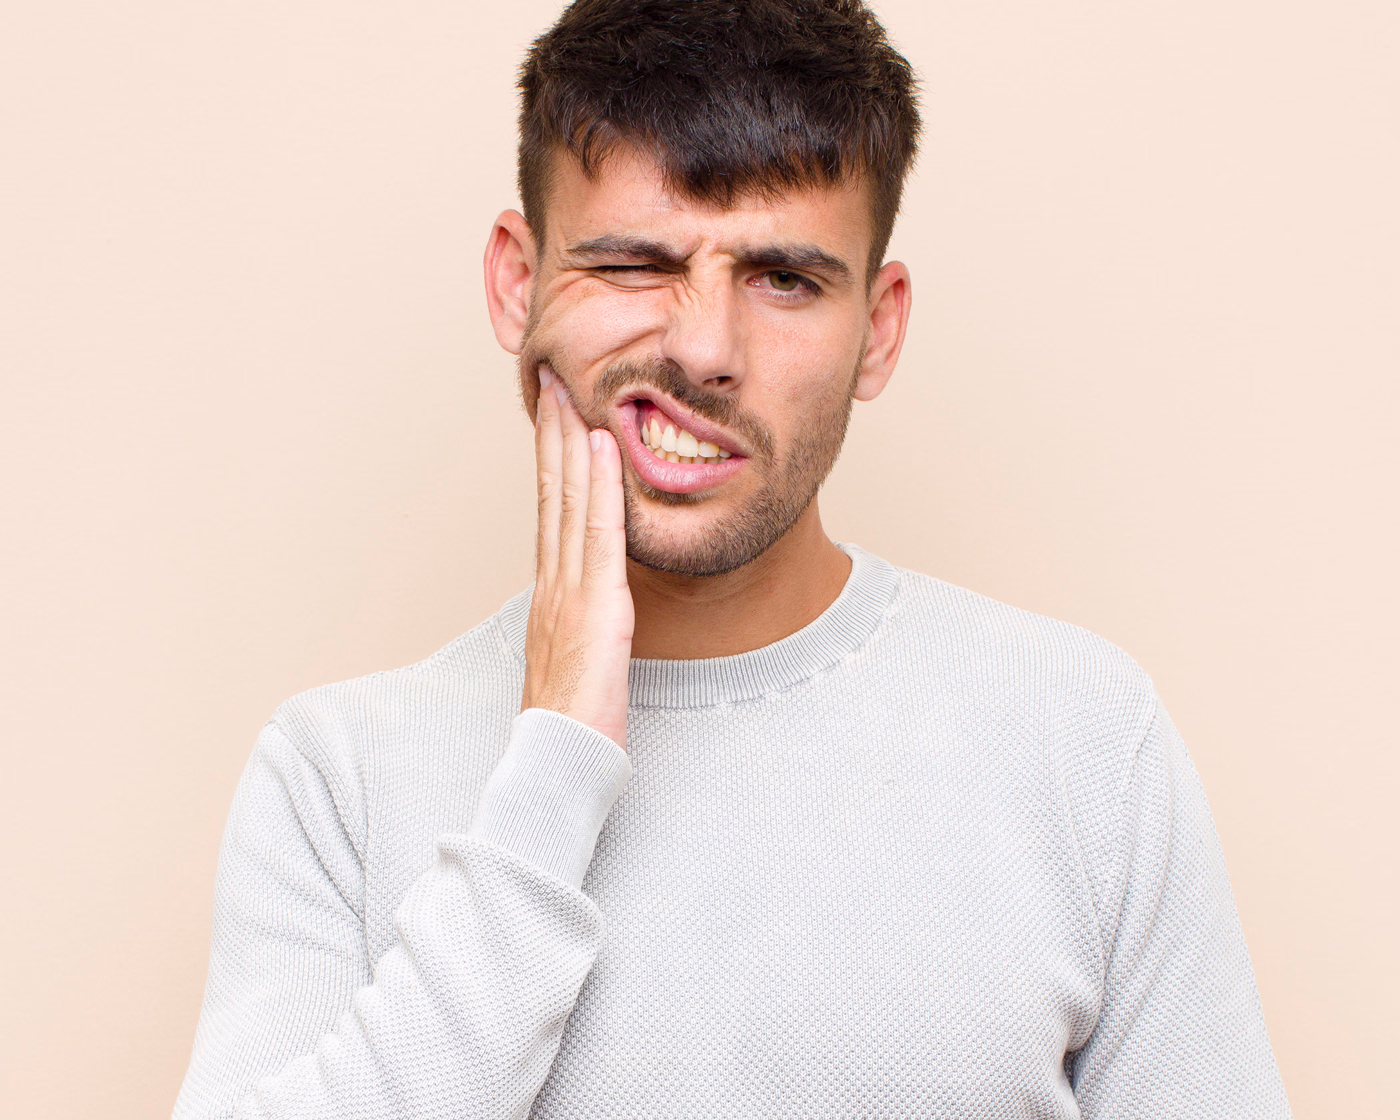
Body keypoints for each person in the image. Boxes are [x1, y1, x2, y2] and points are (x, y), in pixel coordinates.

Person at [172, 0, 1292, 1116]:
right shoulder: (336, 778)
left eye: (783, 279)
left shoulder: (1084, 740)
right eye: (630, 263)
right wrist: (553, 760)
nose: (703, 350)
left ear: (879, 327)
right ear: (519, 283)